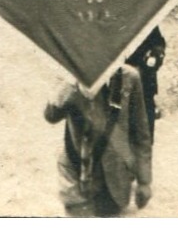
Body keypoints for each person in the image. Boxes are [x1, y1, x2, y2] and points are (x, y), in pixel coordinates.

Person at [45, 65, 153, 217]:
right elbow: (51, 116)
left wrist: (144, 181)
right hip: (75, 173)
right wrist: (69, 86)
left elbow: (141, 133)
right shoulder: (68, 77)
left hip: (113, 180)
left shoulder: (129, 77)